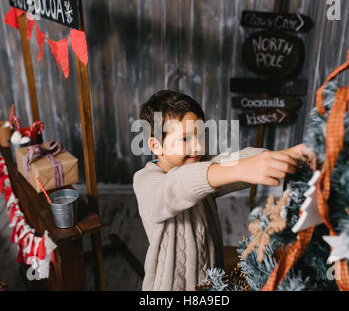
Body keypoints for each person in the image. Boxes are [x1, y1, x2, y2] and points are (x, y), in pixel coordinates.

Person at [133, 90, 314, 291]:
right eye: (185, 139)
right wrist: (238, 169)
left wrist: (284, 156)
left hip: (214, 281)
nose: (198, 146)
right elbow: (176, 186)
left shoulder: (203, 164)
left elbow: (233, 159)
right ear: (156, 146)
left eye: (201, 136)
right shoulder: (145, 181)